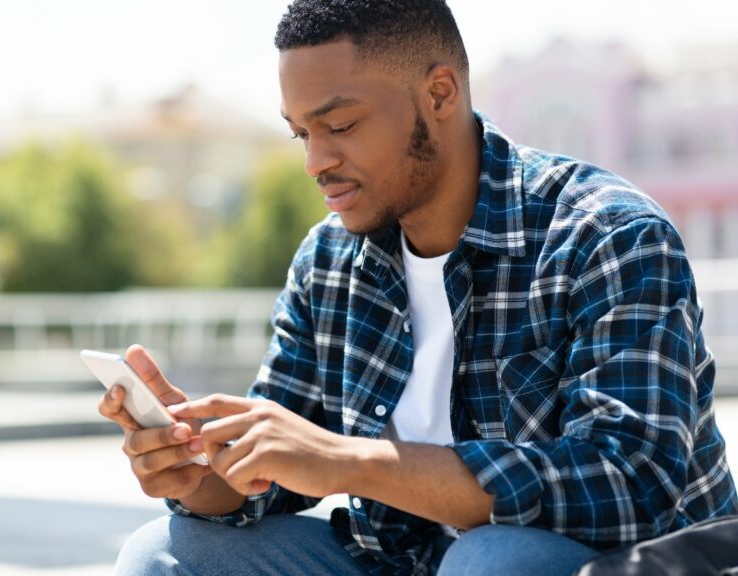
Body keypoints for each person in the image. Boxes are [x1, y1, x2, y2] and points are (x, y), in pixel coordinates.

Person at [97, 1, 738, 574]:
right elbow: (275, 477)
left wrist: (348, 461)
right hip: (408, 562)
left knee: (495, 556)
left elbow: (631, 481)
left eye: (339, 126)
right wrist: (198, 466)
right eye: (301, 133)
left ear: (439, 93)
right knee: (163, 553)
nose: (314, 161)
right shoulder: (328, 260)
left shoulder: (607, 234)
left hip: (627, 564)